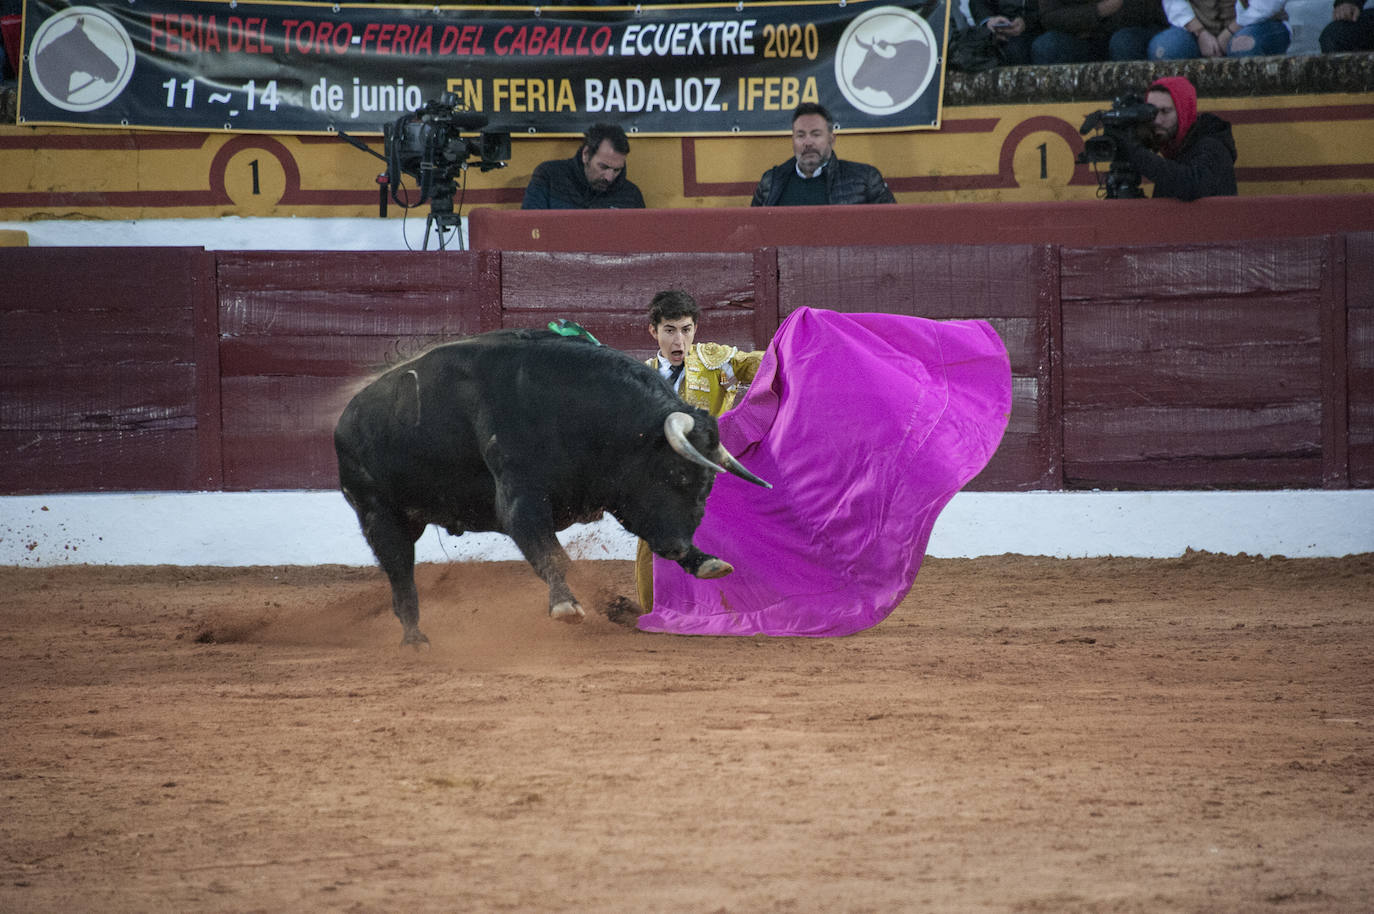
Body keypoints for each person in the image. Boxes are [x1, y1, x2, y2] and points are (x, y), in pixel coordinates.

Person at [634, 289, 764, 610]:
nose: (679, 341)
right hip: (662, 478)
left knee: (733, 543)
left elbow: (762, 365)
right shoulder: (641, 376)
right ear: (654, 331)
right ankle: (653, 613)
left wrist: (795, 349)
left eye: (686, 329)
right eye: (670, 330)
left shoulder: (717, 362)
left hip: (714, 476)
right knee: (650, 543)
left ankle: (737, 610)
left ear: (695, 330)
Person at [750, 103, 896, 206]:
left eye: (816, 134)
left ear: (831, 140)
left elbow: (894, 228)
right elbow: (753, 235)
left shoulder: (865, 179)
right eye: (801, 135)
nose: (808, 142)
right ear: (793, 141)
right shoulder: (771, 181)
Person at [1120, 76, 1237, 201]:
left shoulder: (1213, 148)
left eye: (1165, 111)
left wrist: (1135, 153)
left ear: (1183, 112)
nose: (1157, 121)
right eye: (1151, 113)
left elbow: (1192, 185)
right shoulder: (1174, 149)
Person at [520, 122, 645, 210]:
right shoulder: (549, 177)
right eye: (603, 167)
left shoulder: (631, 196)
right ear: (586, 155)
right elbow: (529, 230)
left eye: (617, 170)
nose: (609, 177)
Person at [1032, 0, 1166, 63]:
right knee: (1046, 45)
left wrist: (1084, 24)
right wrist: (1099, 10)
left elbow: (1144, 10)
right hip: (1081, 40)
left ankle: (1131, 106)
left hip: (1128, 33)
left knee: (1123, 42)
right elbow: (1049, 17)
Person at [1149, 0, 1291, 57]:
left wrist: (1230, 32)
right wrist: (1200, 32)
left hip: (1255, 23)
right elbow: (1174, 3)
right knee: (1166, 50)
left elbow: (1266, 5)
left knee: (1244, 46)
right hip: (1199, 27)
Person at [969, 0, 1045, 65]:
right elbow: (978, 3)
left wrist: (1027, 22)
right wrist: (988, 21)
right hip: (998, 28)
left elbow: (1050, 9)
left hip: (1039, 28)